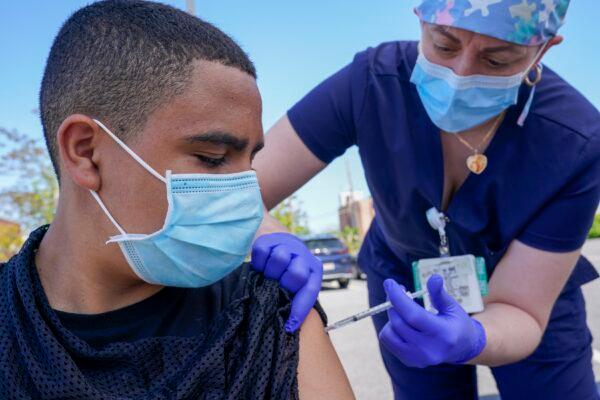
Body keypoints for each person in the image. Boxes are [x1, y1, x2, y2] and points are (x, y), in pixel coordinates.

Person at [0, 1, 355, 399]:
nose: (247, 194)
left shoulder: (266, 319)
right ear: (86, 152)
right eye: (213, 158)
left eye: (250, 161)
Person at [253, 0, 600, 399]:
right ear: (420, 19)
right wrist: (269, 234)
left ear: (543, 49)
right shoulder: (371, 82)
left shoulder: (575, 140)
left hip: (533, 298)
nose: (460, 74)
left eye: (497, 60)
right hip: (406, 289)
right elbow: (245, 184)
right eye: (444, 45)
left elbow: (521, 310)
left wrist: (474, 339)